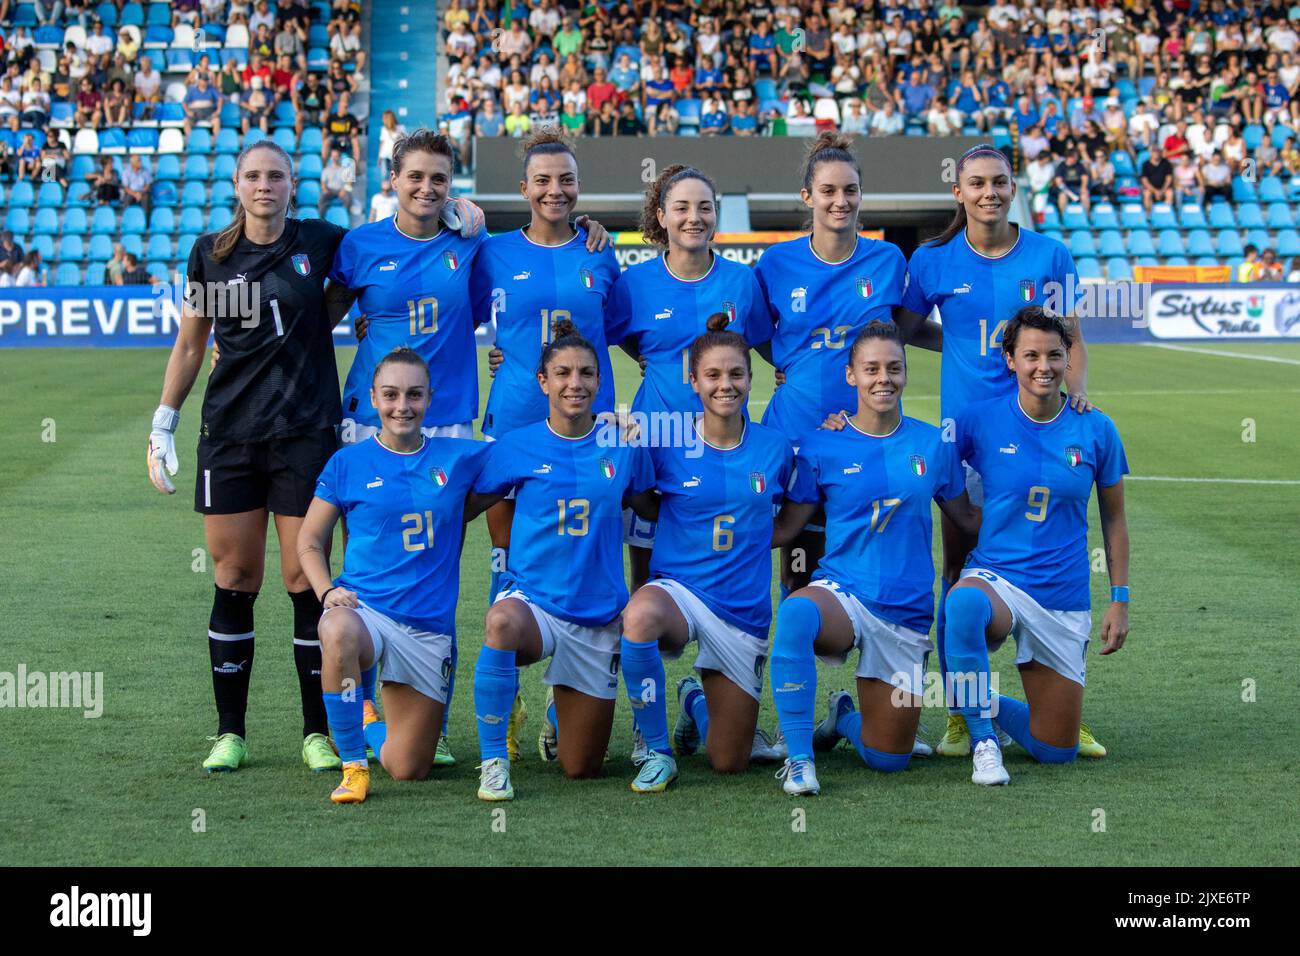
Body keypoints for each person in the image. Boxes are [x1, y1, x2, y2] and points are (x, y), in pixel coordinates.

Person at [146, 139, 355, 774]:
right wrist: (164, 420)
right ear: (237, 184)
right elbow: (192, 345)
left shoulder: (322, 241)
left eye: (277, 175)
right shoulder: (211, 253)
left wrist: (466, 211)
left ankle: (316, 734)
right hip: (230, 435)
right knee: (235, 580)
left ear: (294, 184)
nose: (265, 184)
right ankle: (229, 733)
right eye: (254, 175)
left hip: (304, 433)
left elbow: (389, 246)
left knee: (303, 583)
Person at [900, 143, 1103, 760]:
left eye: (1000, 182)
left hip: (1040, 432)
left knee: (1050, 556)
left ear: (1014, 188)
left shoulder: (1050, 254)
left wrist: (1080, 394)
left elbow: (1072, 336)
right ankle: (963, 713)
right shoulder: (933, 261)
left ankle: (1058, 705)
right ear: (958, 192)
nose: (989, 192)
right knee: (959, 570)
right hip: (968, 438)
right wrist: (962, 341)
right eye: (977, 183)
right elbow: (905, 331)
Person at [769, 321, 978, 794]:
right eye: (871, 369)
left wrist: (1039, 526)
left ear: (906, 374)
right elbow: (787, 528)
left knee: (888, 759)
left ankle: (844, 718)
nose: (883, 378)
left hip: (905, 611)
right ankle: (800, 760)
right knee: (799, 611)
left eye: (893, 368)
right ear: (851, 376)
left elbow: (966, 519)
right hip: (844, 592)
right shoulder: (822, 444)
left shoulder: (932, 443)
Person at [468, 320, 658, 800]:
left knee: (581, 769)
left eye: (587, 374)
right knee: (500, 624)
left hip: (598, 614)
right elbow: (467, 503)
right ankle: (493, 762)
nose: (575, 383)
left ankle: (558, 714)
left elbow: (656, 507)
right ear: (543, 382)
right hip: (534, 603)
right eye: (563, 373)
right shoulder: (516, 445)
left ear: (599, 380)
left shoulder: (623, 444)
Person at [945, 306, 1129, 785]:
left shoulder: (1097, 429)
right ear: (1009, 360)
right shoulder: (979, 420)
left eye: (1054, 355)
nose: (1043, 366)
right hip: (997, 578)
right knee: (962, 605)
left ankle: (973, 699)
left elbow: (1114, 518)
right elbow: (920, 458)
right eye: (1030, 355)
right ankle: (984, 742)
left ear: (1069, 359)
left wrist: (1120, 599)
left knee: (1054, 751)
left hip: (1062, 594)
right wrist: (850, 424)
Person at [297, 347, 490, 803]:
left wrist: (608, 427)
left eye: (414, 395)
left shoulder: (462, 458)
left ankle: (370, 726)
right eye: (391, 395)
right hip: (366, 612)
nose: (402, 406)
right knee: (337, 631)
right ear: (373, 398)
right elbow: (308, 540)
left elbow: (530, 452)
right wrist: (327, 592)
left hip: (426, 630)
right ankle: (353, 766)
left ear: (430, 398)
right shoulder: (347, 463)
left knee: (408, 768)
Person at [757, 132, 940, 604]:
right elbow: (758, 335)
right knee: (799, 563)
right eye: (829, 191)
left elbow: (901, 330)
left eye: (850, 191)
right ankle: (803, 672)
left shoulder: (887, 259)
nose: (841, 201)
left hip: (862, 432)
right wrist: (793, 367)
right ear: (808, 197)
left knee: (857, 559)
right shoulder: (776, 263)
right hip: (795, 428)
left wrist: (968, 347)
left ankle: (850, 672)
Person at [618, 316, 794, 792]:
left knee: (729, 762)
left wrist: (766, 538)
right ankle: (656, 750)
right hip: (680, 590)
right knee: (638, 618)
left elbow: (799, 507)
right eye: (713, 375)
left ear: (751, 378)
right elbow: (641, 500)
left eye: (736, 374)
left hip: (742, 609)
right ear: (693, 380)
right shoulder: (666, 444)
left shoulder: (776, 448)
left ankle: (694, 699)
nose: (725, 385)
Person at [471, 129, 619, 620]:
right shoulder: (493, 253)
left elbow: (625, 326)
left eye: (566, 180)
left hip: (588, 421)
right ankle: (506, 679)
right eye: (542, 180)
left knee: (584, 542)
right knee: (506, 546)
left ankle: (569, 681)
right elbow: (457, 315)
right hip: (514, 416)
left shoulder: (600, 250)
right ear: (523, 187)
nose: (555, 190)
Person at [606, 163, 771, 595]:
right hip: (655, 439)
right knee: (646, 577)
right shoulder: (634, 283)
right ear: (661, 216)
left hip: (723, 446)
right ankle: (644, 661)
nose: (693, 217)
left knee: (721, 568)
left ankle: (717, 658)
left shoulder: (742, 281)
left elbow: (757, 345)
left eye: (705, 207)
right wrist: (649, 356)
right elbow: (613, 334)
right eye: (681, 207)